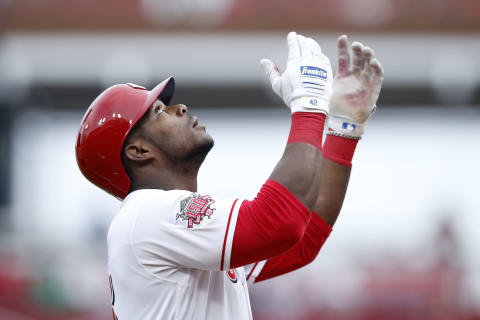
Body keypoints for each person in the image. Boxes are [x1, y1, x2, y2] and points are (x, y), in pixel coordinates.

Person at [75, 32, 384, 320]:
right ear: (139, 151)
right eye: (159, 112)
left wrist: (344, 128)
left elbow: (304, 239)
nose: (179, 108)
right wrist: (309, 106)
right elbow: (279, 224)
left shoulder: (160, 223)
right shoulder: (146, 214)